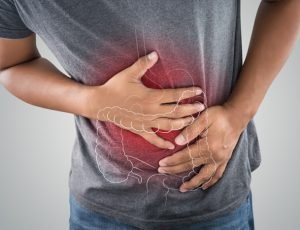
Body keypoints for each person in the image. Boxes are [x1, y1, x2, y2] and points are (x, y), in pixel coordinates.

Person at [0, 0, 299, 229]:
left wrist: (238, 113)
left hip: (214, 204)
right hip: (100, 210)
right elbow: (12, 65)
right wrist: (93, 101)